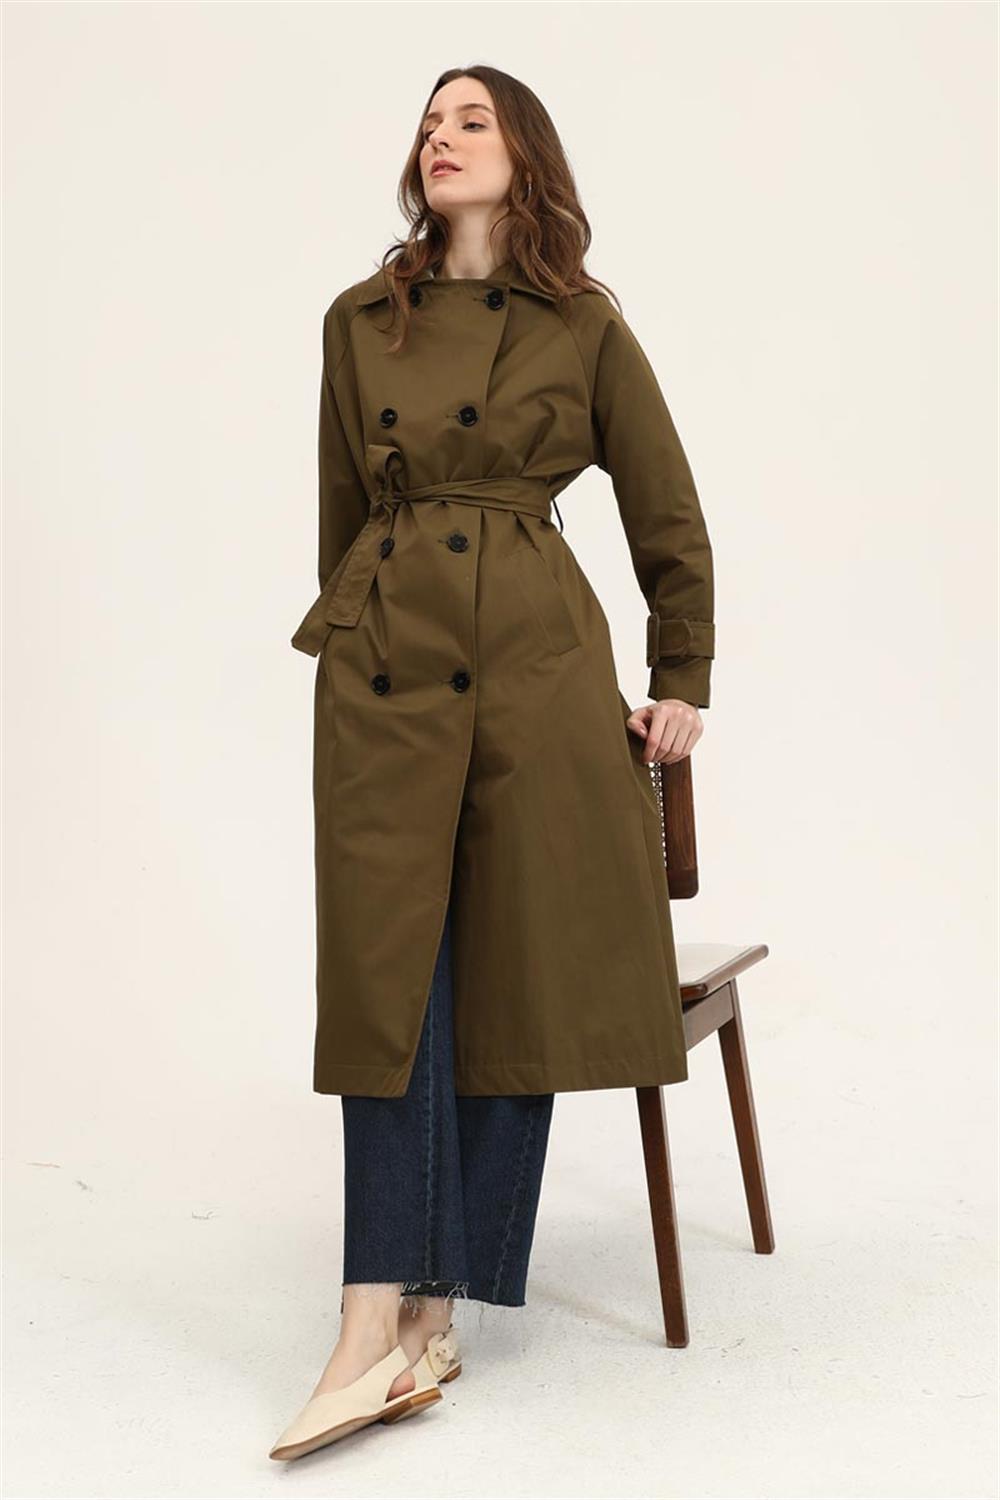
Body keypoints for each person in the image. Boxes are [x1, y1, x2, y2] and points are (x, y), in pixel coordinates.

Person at [269, 63, 714, 1462]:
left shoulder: (583, 324)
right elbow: (343, 514)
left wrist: (681, 680)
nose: (441, 139)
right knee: (384, 977)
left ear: (526, 152)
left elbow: (668, 511)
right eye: (428, 123)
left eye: (472, 120)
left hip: (536, 670)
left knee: (513, 968)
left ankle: (433, 1310)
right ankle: (369, 1314)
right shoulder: (360, 320)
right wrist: (354, 638)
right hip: (388, 667)